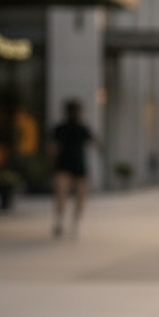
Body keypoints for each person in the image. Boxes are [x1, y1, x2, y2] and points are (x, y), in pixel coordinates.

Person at [48, 98, 96, 237]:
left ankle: (74, 222)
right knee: (61, 195)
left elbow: (93, 141)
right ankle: (60, 221)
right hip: (63, 166)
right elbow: (53, 147)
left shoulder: (82, 128)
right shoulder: (60, 129)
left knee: (80, 196)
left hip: (79, 167)